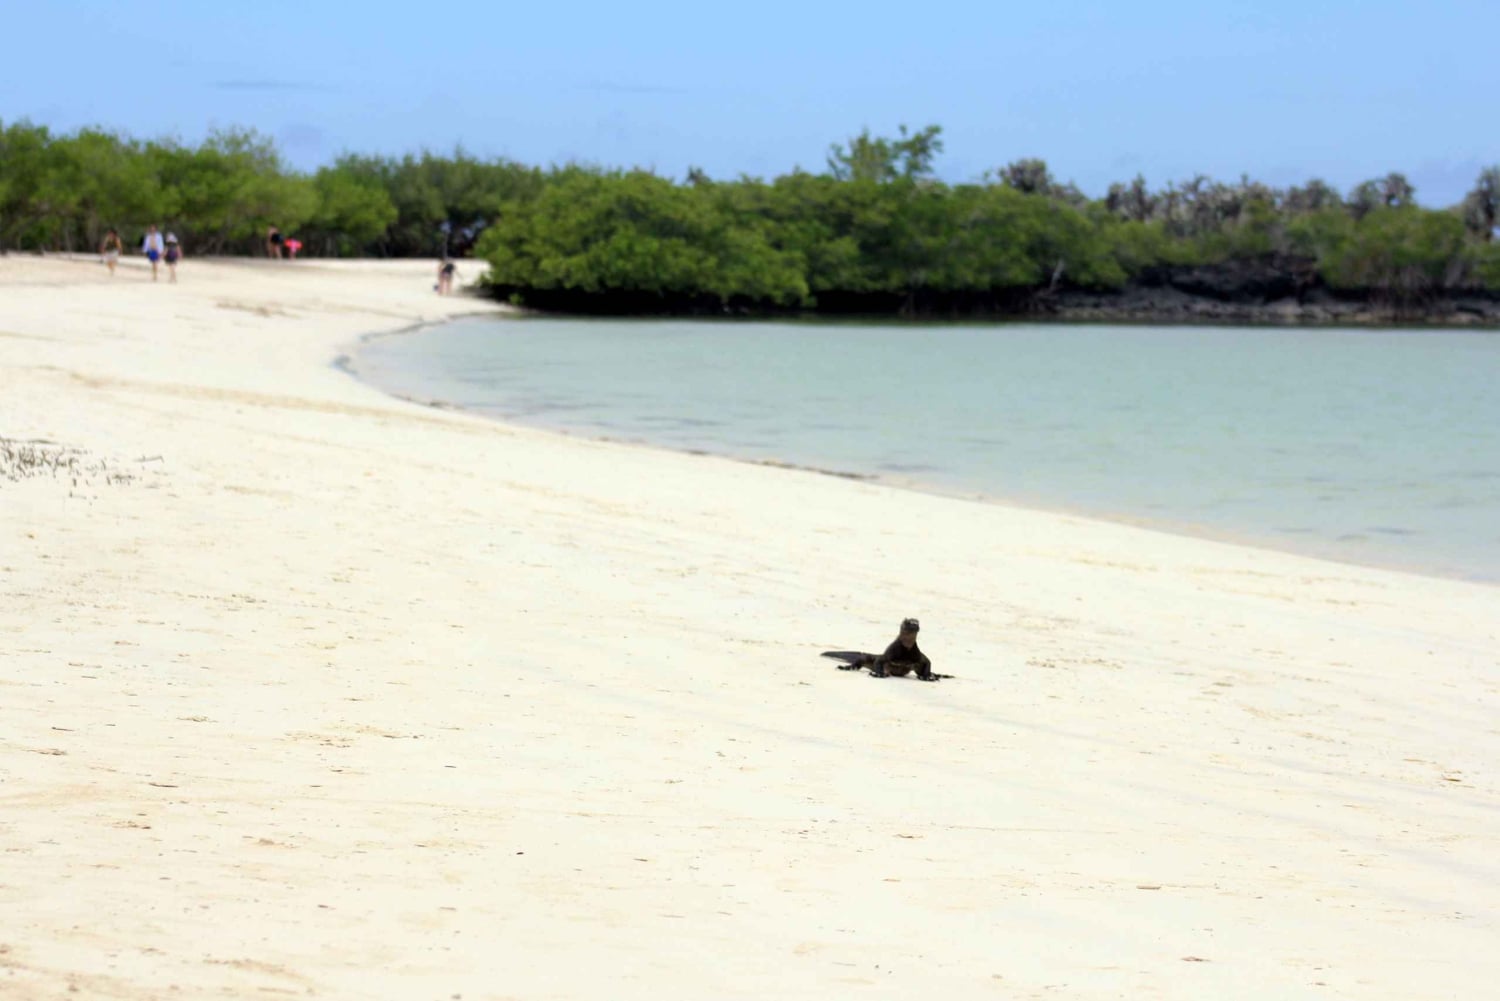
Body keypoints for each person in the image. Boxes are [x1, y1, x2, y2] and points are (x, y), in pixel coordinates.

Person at [823, 618, 937, 680]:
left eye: (915, 627)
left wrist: (926, 675)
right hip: (889, 668)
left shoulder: (914, 651)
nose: (912, 629)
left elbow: (926, 662)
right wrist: (879, 673)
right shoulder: (895, 648)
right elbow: (880, 661)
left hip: (905, 669)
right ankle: (854, 666)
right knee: (864, 658)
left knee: (922, 666)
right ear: (903, 630)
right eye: (909, 626)